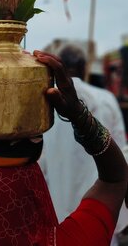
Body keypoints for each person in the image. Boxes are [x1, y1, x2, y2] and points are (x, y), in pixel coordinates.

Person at [0, 50, 128, 245]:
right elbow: (115, 178)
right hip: (88, 222)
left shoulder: (38, 96)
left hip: (55, 199)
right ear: (83, 68)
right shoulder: (100, 99)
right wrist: (78, 115)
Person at [41, 44, 128, 246]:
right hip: (101, 213)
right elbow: (121, 160)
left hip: (57, 217)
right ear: (83, 67)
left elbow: (40, 163)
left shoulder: (45, 103)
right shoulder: (106, 100)